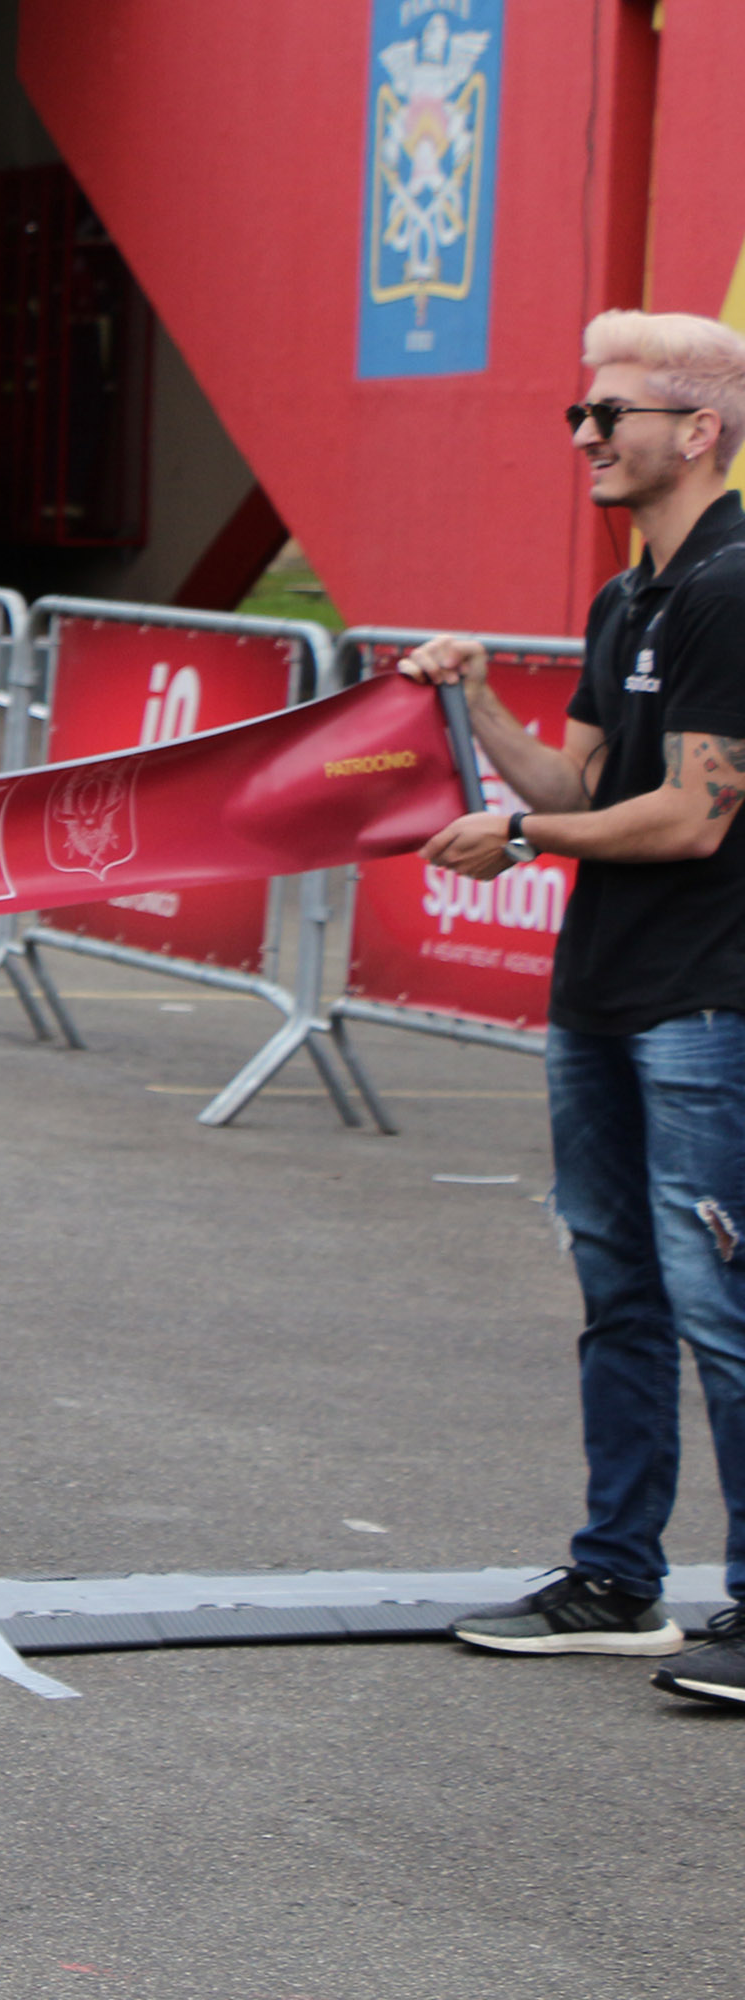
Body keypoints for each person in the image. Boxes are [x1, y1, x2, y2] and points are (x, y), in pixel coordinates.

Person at [401, 311, 745, 1704]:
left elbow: (694, 819)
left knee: (719, 1303)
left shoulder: (733, 587)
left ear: (700, 432)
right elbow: (582, 791)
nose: (589, 435)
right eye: (581, 416)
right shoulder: (629, 598)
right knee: (616, 1292)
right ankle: (618, 1576)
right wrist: (480, 708)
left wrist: (526, 846)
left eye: (614, 414)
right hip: (604, 991)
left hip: (703, 1001)